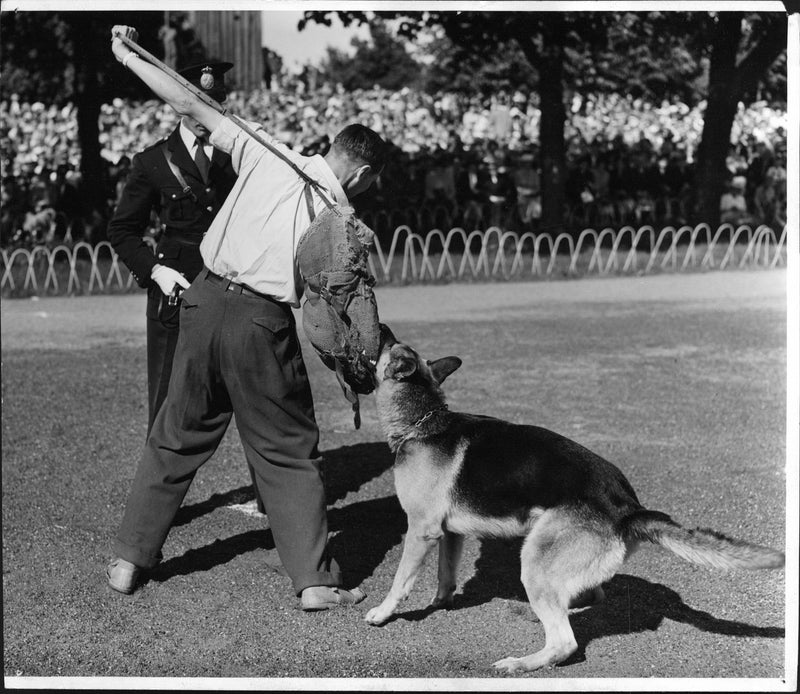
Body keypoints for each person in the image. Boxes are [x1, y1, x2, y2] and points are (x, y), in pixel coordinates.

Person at [107, 25, 387, 611]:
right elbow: (339, 312)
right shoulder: (342, 217)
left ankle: (129, 560)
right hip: (261, 321)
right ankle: (314, 582)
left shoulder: (267, 149)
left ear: (331, 146)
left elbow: (187, 101)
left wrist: (128, 55)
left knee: (174, 435)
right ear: (360, 175)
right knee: (286, 447)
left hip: (202, 301)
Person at [106, 61, 266, 515]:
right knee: (167, 397)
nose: (205, 111)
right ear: (178, 102)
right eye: (196, 102)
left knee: (251, 392)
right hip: (174, 288)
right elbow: (123, 231)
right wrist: (155, 271)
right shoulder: (152, 161)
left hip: (234, 285)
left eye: (214, 103)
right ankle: (154, 506)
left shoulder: (240, 155)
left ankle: (269, 494)